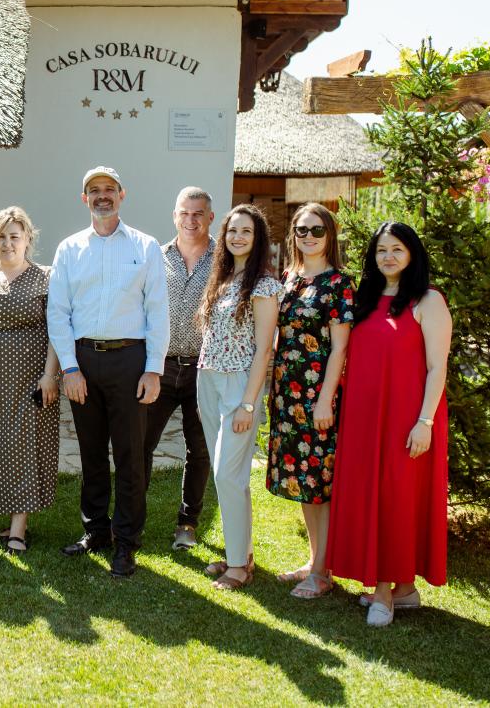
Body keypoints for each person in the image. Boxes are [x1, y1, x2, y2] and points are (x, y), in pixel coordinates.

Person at [327, 222, 451, 627]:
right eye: (381, 250)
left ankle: (384, 592)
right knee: (369, 493)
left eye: (397, 249)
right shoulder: (364, 299)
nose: (389, 257)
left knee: (394, 497)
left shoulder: (427, 301)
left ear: (412, 253)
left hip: (406, 418)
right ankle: (405, 591)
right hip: (364, 417)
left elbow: (437, 368)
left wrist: (425, 422)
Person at [48, 167, 169, 578]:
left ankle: (127, 542)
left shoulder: (146, 246)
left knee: (131, 455)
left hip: (129, 360)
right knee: (92, 451)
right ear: (85, 199)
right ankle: (95, 530)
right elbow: (58, 312)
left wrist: (154, 370)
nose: (102, 196)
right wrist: (68, 367)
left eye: (109, 190)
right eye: (94, 191)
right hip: (83, 362)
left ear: (122, 195)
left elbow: (158, 312)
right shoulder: (68, 249)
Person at [266, 203, 354, 598]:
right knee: (303, 479)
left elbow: (340, 349)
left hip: (317, 394)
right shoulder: (288, 278)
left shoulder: (339, 283)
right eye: (302, 230)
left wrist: (325, 400)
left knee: (319, 478)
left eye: (317, 229)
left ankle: (322, 571)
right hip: (287, 393)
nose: (309, 236)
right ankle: (314, 560)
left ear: (330, 234)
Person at [0, 207, 60, 554]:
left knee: (27, 445)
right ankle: (10, 515)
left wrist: (50, 375)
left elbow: (57, 331)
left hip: (32, 377)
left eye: (14, 236)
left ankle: (19, 526)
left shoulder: (47, 278)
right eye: (1, 237)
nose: (7, 243)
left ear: (28, 240)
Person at [195, 204, 281, 591]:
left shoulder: (263, 285)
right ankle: (240, 553)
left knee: (226, 475)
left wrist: (248, 402)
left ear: (257, 237)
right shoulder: (223, 278)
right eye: (232, 231)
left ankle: (237, 569)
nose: (238, 237)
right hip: (208, 381)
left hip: (238, 386)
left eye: (246, 231)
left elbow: (265, 350)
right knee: (230, 477)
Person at [146, 186, 216, 552]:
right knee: (142, 443)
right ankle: (131, 518)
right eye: (184, 213)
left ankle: (187, 523)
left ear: (210, 217)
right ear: (175, 216)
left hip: (205, 370)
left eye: (198, 213)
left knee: (199, 449)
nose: (191, 220)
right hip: (161, 366)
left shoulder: (225, 259)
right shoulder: (155, 257)